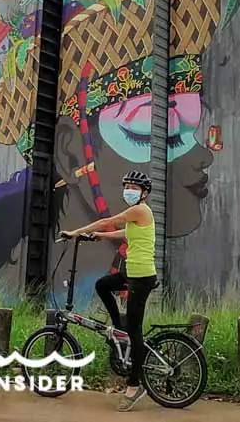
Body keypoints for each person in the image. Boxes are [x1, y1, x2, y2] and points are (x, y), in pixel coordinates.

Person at [60, 170, 157, 412]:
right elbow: (124, 233)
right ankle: (118, 326)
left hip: (141, 277)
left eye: (135, 188)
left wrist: (76, 232)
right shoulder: (138, 218)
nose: (130, 191)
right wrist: (99, 237)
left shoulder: (140, 210)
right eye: (128, 186)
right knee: (103, 285)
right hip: (131, 273)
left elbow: (107, 221)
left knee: (136, 330)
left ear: (144, 193)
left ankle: (135, 385)